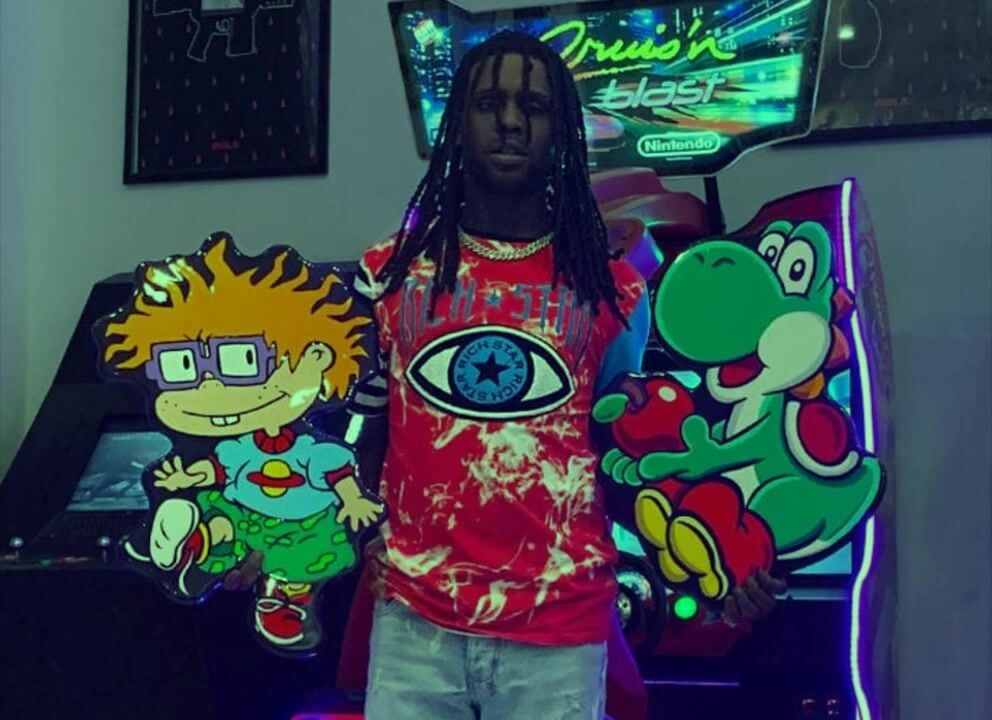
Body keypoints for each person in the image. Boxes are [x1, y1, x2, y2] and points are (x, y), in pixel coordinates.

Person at [226, 29, 786, 719]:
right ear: (458, 122)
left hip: (560, 628)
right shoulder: (389, 274)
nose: (512, 121)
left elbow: (621, 455)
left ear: (563, 130)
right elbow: (365, 432)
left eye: (535, 106)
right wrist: (277, 534)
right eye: (490, 104)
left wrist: (717, 559)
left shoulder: (611, 288)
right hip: (415, 622)